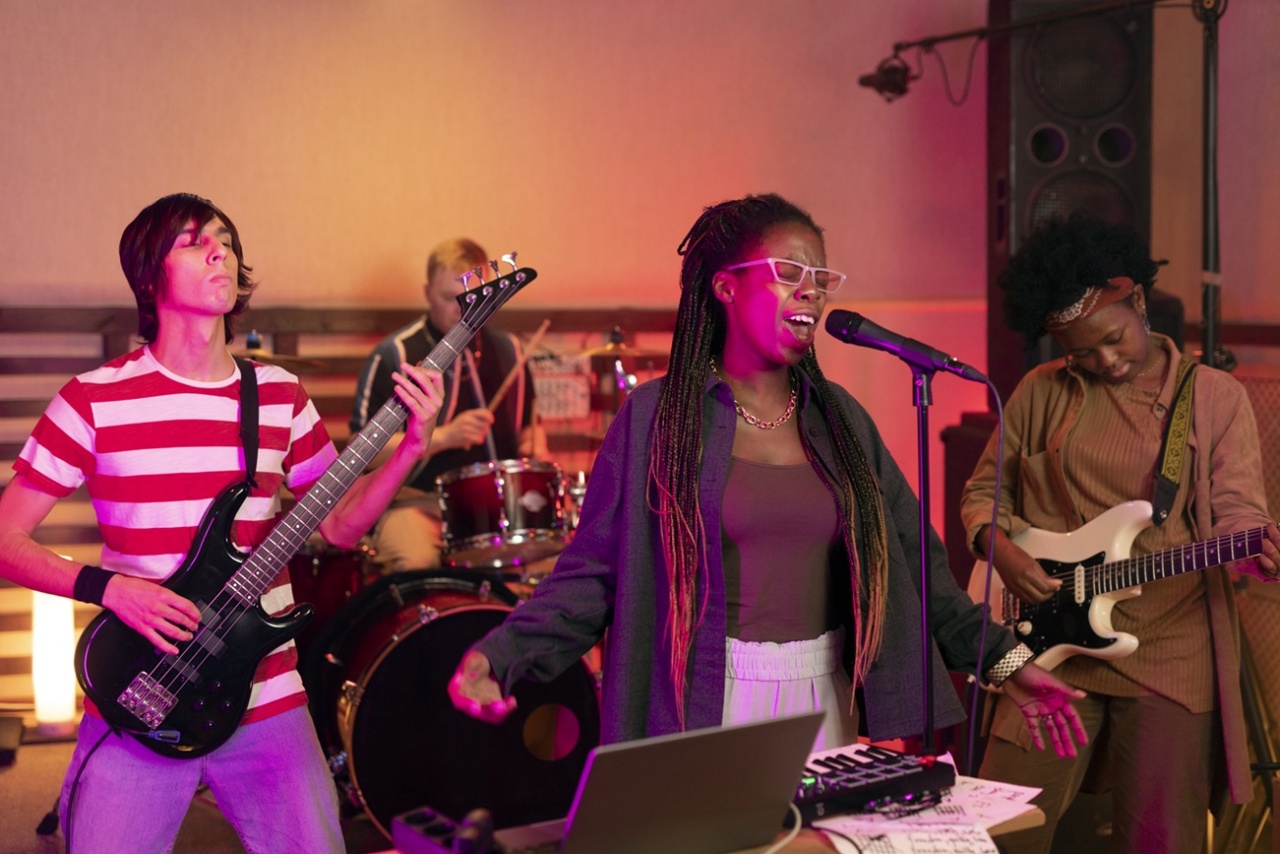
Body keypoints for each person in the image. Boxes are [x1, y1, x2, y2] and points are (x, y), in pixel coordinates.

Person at [449, 192, 1087, 758]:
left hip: (823, 695)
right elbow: (591, 576)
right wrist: (500, 656)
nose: (811, 291)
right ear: (726, 288)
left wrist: (1008, 661)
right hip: (701, 696)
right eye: (788, 272)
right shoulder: (656, 419)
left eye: (820, 278)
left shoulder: (842, 423)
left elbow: (922, 573)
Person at [0, 193, 445, 854]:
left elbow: (340, 527)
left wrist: (411, 448)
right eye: (193, 241)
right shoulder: (92, 400)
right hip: (142, 688)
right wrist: (112, 590)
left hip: (267, 696)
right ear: (148, 278)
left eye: (226, 240)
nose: (220, 252)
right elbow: (4, 539)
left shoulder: (279, 394)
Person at [960, 213, 1280, 853]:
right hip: (1043, 641)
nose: (1104, 360)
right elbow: (982, 496)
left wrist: (1256, 552)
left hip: (1170, 652)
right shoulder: (1039, 391)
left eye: (1112, 339)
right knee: (996, 834)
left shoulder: (1213, 397)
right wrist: (1004, 553)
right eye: (1081, 352)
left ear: (1137, 301)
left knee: (1160, 842)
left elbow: (1240, 513)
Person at [350, 237, 548, 572]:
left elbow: (531, 429)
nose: (462, 308)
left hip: (497, 508)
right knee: (416, 561)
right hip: (414, 502)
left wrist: (534, 451)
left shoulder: (510, 351)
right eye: (449, 298)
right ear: (427, 293)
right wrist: (443, 437)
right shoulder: (396, 354)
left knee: (552, 565)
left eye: (474, 297)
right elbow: (361, 454)